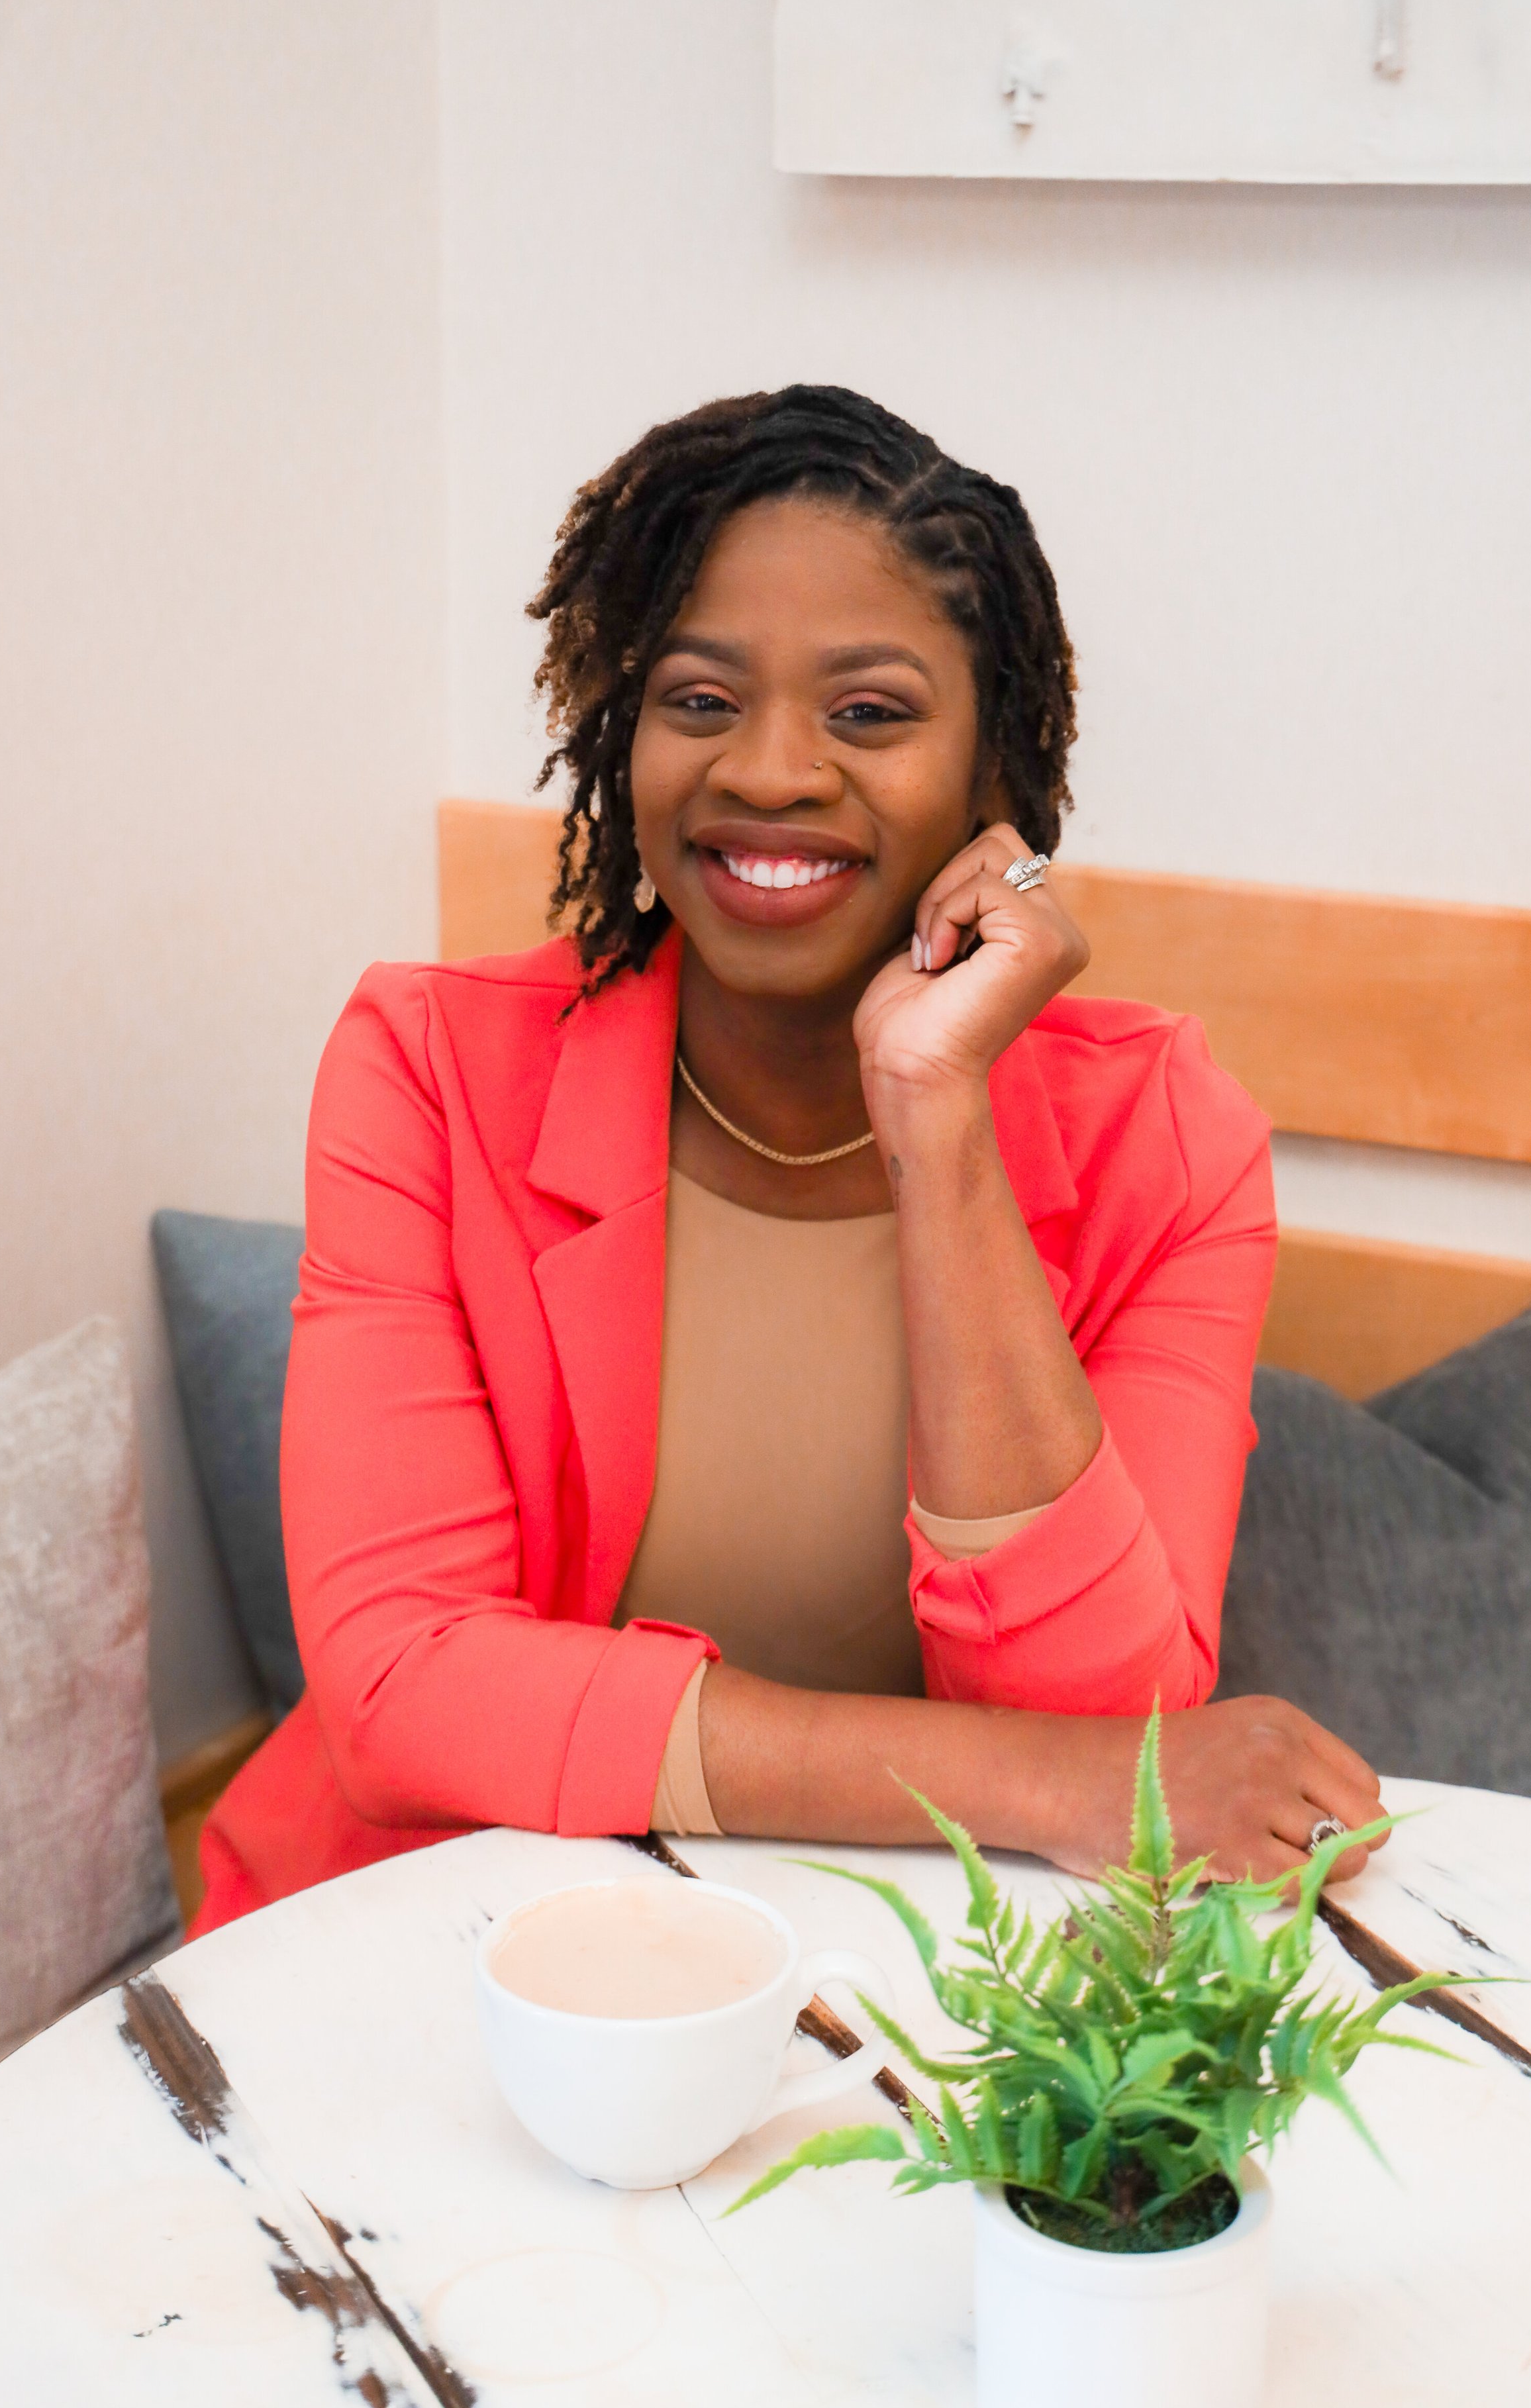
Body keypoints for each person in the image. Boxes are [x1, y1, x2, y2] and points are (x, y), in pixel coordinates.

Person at [194, 385, 1385, 1934]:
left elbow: (1107, 1694)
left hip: (908, 1980)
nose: (767, 771)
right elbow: (408, 1689)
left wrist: (938, 1120)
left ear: (990, 776)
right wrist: (1042, 1786)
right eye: (698, 699)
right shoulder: (426, 1072)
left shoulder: (1162, 1135)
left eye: (868, 713)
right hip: (421, 1944)